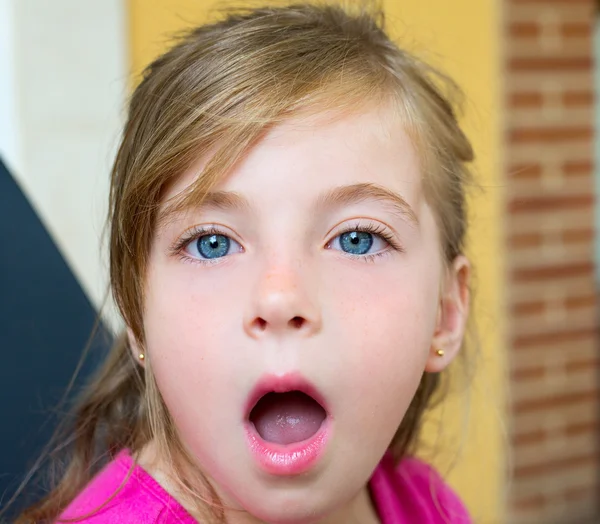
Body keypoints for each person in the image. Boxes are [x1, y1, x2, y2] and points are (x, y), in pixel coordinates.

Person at [14, 3, 475, 523]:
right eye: (212, 242)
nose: (280, 298)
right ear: (137, 317)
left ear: (445, 312)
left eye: (357, 239)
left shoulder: (427, 505)